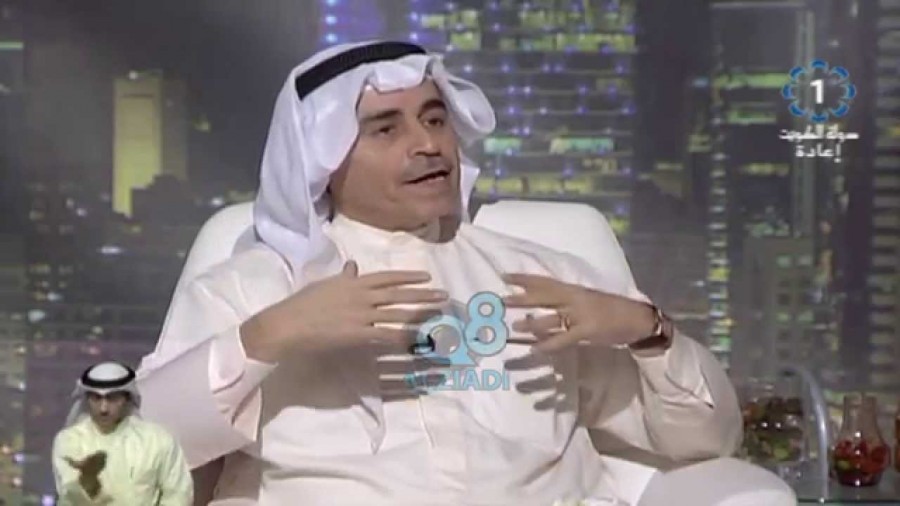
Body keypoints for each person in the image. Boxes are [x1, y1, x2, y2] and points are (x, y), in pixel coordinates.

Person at [136, 40, 792, 505]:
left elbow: (705, 440)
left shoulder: (543, 277)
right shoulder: (254, 287)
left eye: (434, 119)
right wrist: (268, 338)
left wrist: (647, 332)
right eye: (386, 130)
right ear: (322, 161)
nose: (427, 144)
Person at [52, 361, 194, 505]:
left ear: (127, 398)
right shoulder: (69, 440)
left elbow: (178, 494)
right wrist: (88, 480)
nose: (103, 409)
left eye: (112, 398)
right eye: (96, 398)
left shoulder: (158, 440)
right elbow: (70, 496)